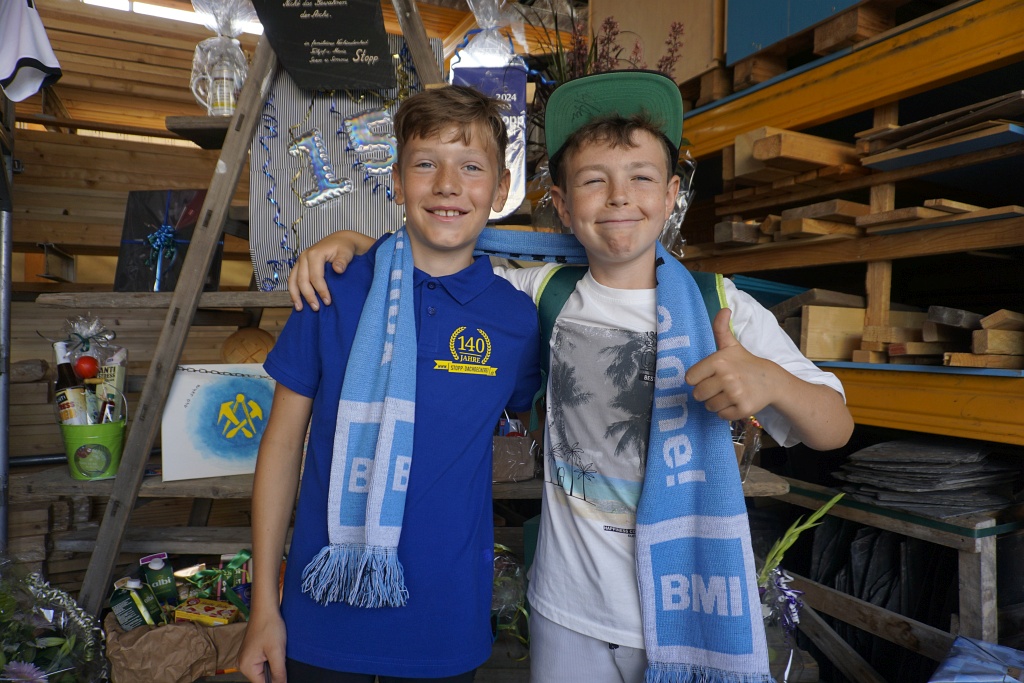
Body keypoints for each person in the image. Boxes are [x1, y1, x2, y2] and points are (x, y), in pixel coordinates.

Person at [287, 71, 855, 683]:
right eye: (593, 180)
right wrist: (355, 246)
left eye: (641, 178)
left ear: (671, 195)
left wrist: (770, 381)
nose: (618, 198)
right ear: (561, 204)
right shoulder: (540, 294)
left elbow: (834, 430)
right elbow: (435, 257)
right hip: (568, 612)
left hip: (690, 606)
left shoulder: (723, 308)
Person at [237, 85, 542, 683]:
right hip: (320, 614)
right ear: (397, 183)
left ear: (501, 188)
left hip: (445, 622)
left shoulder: (514, 319)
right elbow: (281, 445)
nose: (447, 185)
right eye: (426, 164)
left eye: (471, 167)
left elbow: (526, 423)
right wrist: (263, 607)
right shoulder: (331, 290)